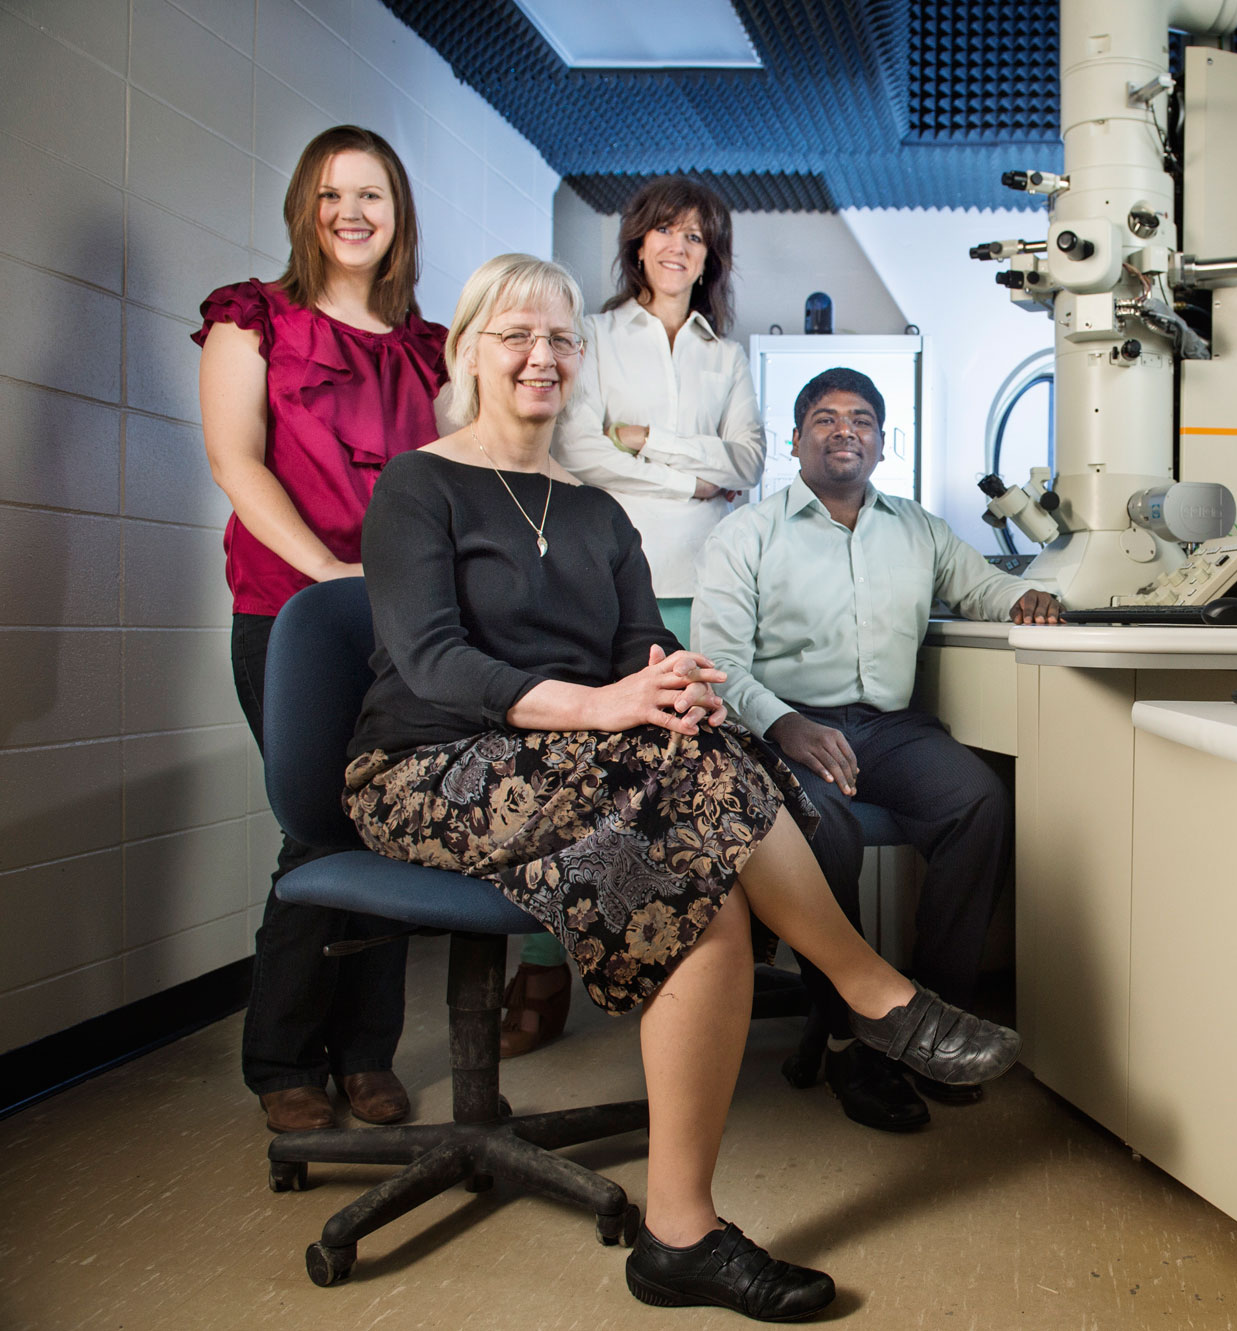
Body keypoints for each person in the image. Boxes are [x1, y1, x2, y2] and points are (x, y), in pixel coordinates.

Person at [347, 253, 1017, 1320]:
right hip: (432, 765)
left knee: (698, 862)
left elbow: (635, 646)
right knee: (700, 785)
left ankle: (680, 1232)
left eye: (562, 338)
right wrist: (605, 703)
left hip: (570, 765)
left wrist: (672, 683)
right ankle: (866, 987)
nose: (541, 355)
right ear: (465, 349)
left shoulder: (599, 515)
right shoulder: (418, 486)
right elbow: (433, 663)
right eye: (515, 333)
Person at [693, 368, 1061, 1133]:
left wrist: (1029, 598)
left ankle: (929, 1021)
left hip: (889, 727)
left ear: (881, 442)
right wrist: (784, 724)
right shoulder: (745, 534)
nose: (844, 430)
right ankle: (845, 1037)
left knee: (978, 803)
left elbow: (982, 586)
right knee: (825, 829)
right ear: (795, 441)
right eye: (824, 418)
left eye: (861, 419)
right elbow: (718, 664)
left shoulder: (918, 527)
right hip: (786, 726)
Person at [195, 125, 441, 1134]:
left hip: (407, 631)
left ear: (397, 216)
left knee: (396, 824)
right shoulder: (252, 320)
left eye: (372, 195)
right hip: (292, 616)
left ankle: (366, 1053)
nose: (352, 212)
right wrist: (334, 572)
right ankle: (282, 1059)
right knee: (316, 826)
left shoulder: (430, 350)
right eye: (333, 194)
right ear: (307, 207)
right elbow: (236, 463)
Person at [516, 178, 764, 1058]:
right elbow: (578, 449)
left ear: (711, 256)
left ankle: (692, 952)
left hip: (702, 585)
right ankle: (543, 964)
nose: (679, 246)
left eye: (696, 236)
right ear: (638, 243)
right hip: (605, 579)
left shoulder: (725, 358)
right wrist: (694, 475)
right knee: (585, 765)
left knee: (691, 764)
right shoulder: (594, 337)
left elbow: (748, 461)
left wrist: (643, 444)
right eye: (665, 230)